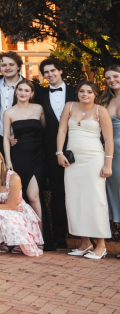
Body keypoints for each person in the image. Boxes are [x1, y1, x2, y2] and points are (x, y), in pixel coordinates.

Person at [57, 81, 113, 259]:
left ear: (95, 94)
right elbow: (62, 130)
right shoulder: (69, 106)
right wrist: (59, 152)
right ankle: (85, 242)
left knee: (95, 201)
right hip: (73, 161)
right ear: (77, 93)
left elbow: (109, 140)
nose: (85, 94)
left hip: (93, 160)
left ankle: (101, 245)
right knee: (75, 200)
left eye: (89, 91)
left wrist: (107, 164)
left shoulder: (100, 111)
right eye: (82, 91)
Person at [38, 56, 77, 250]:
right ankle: (59, 237)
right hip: (52, 150)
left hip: (78, 147)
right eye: (46, 72)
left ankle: (85, 236)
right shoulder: (41, 95)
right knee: (57, 193)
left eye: (53, 70)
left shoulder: (75, 91)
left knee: (79, 192)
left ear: (60, 71)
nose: (50, 74)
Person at [0, 148, 43, 257]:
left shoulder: (13, 177)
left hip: (19, 210)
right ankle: (3, 242)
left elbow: (11, 205)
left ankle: (18, 243)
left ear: (0, 159)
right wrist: (0, 207)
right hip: (5, 208)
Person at [3, 79, 46, 221]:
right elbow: (5, 137)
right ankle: (25, 233)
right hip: (19, 156)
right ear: (16, 91)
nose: (23, 93)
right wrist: (8, 160)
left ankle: (41, 237)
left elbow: (45, 130)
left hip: (38, 156)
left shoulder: (39, 108)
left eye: (26, 90)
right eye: (20, 90)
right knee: (21, 198)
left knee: (34, 196)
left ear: (32, 93)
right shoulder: (9, 112)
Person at [0, 51, 28, 152]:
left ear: (18, 67)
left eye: (11, 64)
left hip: (23, 138)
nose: (8, 68)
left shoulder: (30, 87)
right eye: (4, 65)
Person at [101, 65, 120, 250]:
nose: (112, 80)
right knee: (116, 196)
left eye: (115, 76)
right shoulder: (105, 100)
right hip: (111, 155)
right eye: (108, 78)